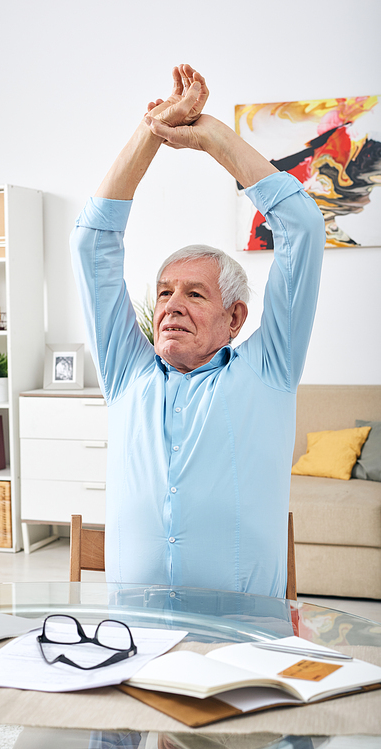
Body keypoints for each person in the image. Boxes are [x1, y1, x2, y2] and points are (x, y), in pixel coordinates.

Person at [70, 65, 325, 598]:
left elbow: (300, 226)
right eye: (164, 292)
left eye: (194, 293)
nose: (171, 307)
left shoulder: (268, 369)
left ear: (234, 318)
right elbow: (91, 244)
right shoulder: (127, 373)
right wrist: (151, 131)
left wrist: (209, 136)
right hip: (130, 639)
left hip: (242, 642)